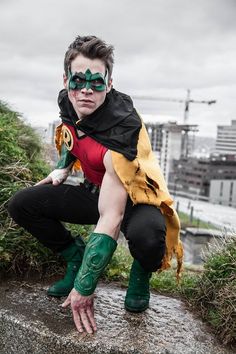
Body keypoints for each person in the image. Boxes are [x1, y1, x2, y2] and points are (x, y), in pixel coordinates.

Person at [7, 35, 183, 334]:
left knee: (150, 237)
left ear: (109, 84)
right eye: (78, 80)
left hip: (135, 198)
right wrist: (61, 169)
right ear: (66, 80)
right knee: (22, 204)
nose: (86, 89)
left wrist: (84, 286)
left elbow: (111, 216)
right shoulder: (68, 99)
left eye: (96, 82)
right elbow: (70, 131)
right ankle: (74, 256)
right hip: (95, 190)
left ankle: (140, 273)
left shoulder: (123, 127)